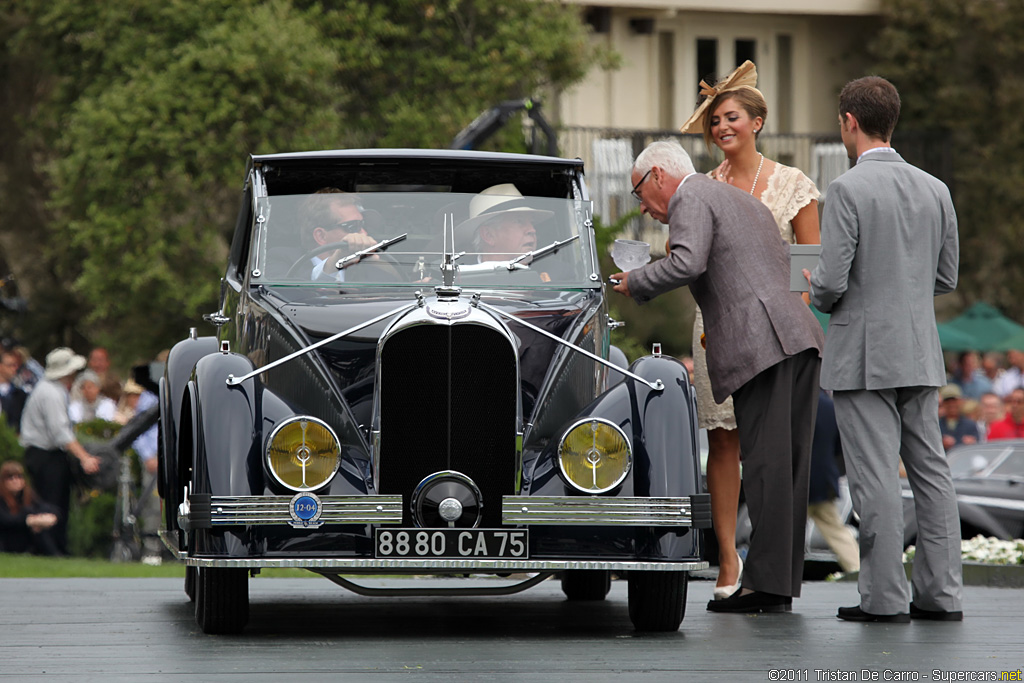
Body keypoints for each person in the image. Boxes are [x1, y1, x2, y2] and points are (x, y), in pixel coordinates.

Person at [611, 139, 824, 613]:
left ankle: (762, 588)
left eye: (638, 194)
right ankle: (776, 586)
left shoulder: (690, 195)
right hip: (799, 337)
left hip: (761, 344)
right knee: (788, 470)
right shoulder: (737, 198)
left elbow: (689, 262)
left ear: (658, 177)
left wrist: (635, 282)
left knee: (767, 468)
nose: (643, 208)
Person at [807, 76, 963, 623]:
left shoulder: (846, 189)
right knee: (932, 474)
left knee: (875, 479)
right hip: (920, 349)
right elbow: (946, 277)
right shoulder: (936, 188)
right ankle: (941, 596)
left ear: (849, 121)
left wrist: (811, 285)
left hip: (864, 356)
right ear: (891, 120)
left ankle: (883, 599)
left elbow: (828, 286)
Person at [678, 60, 822, 599]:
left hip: (778, 334)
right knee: (722, 440)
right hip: (713, 327)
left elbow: (808, 267)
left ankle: (773, 568)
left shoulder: (792, 184)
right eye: (715, 121)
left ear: (756, 121)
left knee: (773, 450)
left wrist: (781, 328)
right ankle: (728, 561)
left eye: (731, 117)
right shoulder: (700, 188)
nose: (721, 128)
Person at [19, 347, 102, 555]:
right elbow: (60, 433)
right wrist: (84, 457)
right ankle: (51, 549)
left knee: (55, 501)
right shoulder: (51, 393)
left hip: (44, 454)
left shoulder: (50, 389)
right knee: (52, 504)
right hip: (45, 455)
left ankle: (55, 547)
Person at [807, 389, 860, 574]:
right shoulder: (832, 407)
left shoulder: (797, 404)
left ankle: (781, 574)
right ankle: (856, 569)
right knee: (835, 529)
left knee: (786, 532)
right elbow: (841, 445)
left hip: (799, 478)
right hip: (825, 478)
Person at [299, 189, 382, 281]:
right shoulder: (284, 260)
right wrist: (337, 258)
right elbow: (291, 290)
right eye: (353, 226)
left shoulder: (362, 268)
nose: (364, 233)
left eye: (363, 224)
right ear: (321, 236)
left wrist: (376, 262)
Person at [0, 460, 61, 555]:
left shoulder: (27, 496)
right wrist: (29, 520)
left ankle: (54, 555)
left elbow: (47, 507)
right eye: (11, 478)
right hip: (7, 537)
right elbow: (5, 520)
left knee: (38, 522)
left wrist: (50, 517)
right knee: (30, 513)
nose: (16, 481)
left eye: (19, 477)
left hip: (24, 536)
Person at [938, 384, 981, 450]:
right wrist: (940, 443)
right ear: (942, 404)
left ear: (961, 401)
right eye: (947, 401)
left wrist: (972, 443)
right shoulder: (937, 425)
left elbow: (978, 447)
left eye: (954, 401)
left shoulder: (970, 424)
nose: (951, 404)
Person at [0, 350, 28, 432]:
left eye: (16, 365)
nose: (15, 368)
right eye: (10, 365)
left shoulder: (20, 395)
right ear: (1, 367)